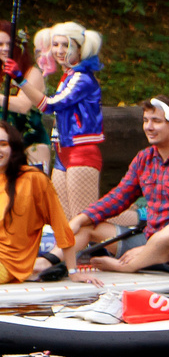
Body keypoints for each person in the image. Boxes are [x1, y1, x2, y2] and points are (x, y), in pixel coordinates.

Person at [63, 98, 169, 275]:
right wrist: (81, 218)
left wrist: (147, 249)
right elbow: (118, 198)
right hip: (150, 241)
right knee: (87, 225)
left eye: (156, 121)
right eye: (146, 121)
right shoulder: (144, 158)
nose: (148, 127)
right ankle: (48, 263)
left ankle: (127, 266)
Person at [31, 22, 103, 220]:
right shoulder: (67, 76)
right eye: (55, 45)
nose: (59, 51)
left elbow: (51, 104)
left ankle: (141, 217)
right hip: (63, 151)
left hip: (81, 150)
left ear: (80, 48)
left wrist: (21, 81)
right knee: (64, 218)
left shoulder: (82, 78)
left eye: (66, 45)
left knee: (84, 218)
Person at [0, 118, 73, 282]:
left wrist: (74, 270)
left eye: (3, 144)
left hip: (10, 263)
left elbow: (61, 226)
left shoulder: (33, 179)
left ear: (13, 147)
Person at [0, 24, 51, 179]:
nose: (4, 49)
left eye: (9, 44)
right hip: (4, 147)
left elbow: (23, 105)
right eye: (0, 44)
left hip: (32, 145)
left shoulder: (32, 73)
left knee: (33, 195)